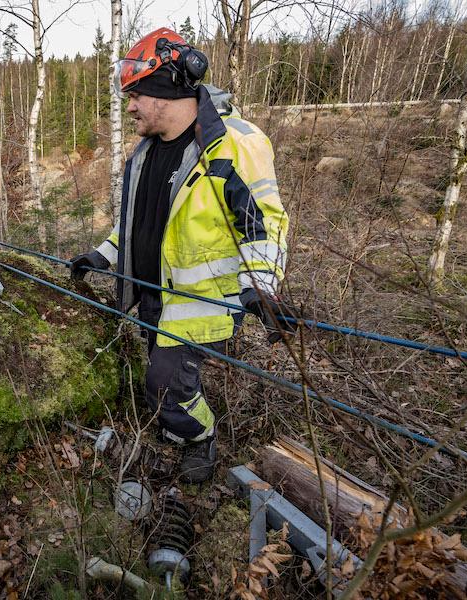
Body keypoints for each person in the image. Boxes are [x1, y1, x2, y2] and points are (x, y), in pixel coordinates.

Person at [70, 28, 296, 483]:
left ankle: (201, 438)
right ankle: (176, 424)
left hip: (202, 301)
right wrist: (103, 255)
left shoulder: (233, 143)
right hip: (155, 296)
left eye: (136, 96)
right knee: (162, 378)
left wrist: (261, 288)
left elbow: (263, 222)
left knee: (166, 386)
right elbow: (140, 223)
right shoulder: (146, 151)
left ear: (166, 92)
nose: (129, 106)